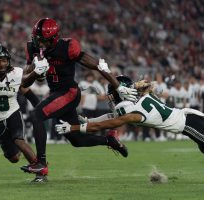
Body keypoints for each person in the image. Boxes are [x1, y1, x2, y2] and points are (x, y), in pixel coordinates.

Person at [21, 18, 137, 173]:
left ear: (54, 39)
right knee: (77, 140)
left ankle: (41, 163)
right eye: (37, 39)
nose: (40, 44)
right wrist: (36, 72)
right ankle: (109, 140)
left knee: (37, 115)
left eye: (44, 41)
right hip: (56, 94)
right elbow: (25, 82)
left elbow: (98, 65)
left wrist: (117, 85)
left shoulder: (67, 47)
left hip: (69, 92)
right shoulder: (32, 48)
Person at [56, 76, 204, 165]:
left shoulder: (133, 111)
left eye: (113, 93)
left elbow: (107, 124)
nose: (111, 97)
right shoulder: (137, 98)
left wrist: (74, 128)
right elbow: (107, 118)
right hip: (188, 123)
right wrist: (85, 121)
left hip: (190, 125)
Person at [0, 44, 46, 182]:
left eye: (4, 60)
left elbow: (27, 92)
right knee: (13, 158)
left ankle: (40, 171)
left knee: (18, 140)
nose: (1, 64)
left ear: (8, 60)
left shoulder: (16, 73)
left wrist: (40, 108)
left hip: (13, 112)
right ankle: (28, 156)